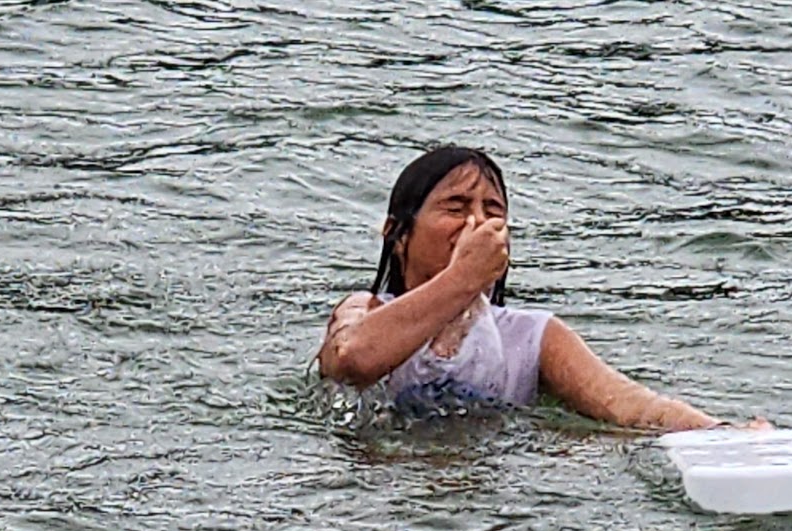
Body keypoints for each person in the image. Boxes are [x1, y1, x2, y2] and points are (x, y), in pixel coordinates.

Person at [319, 145, 751, 430]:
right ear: (397, 235)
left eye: (493, 211)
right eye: (455, 206)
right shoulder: (365, 310)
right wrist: (462, 278)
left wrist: (719, 434)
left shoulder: (532, 336)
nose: (477, 224)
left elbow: (630, 405)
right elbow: (351, 361)